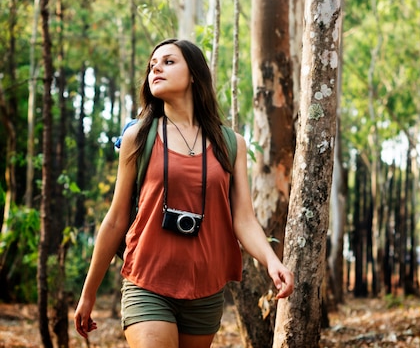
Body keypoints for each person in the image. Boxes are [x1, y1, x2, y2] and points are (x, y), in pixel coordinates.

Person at [74, 38, 294, 347]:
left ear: (194, 74)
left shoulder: (231, 144)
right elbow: (115, 219)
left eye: (168, 62)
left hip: (205, 290)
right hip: (146, 282)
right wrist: (88, 293)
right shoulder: (138, 136)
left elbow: (243, 219)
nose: (156, 69)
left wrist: (273, 262)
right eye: (152, 65)